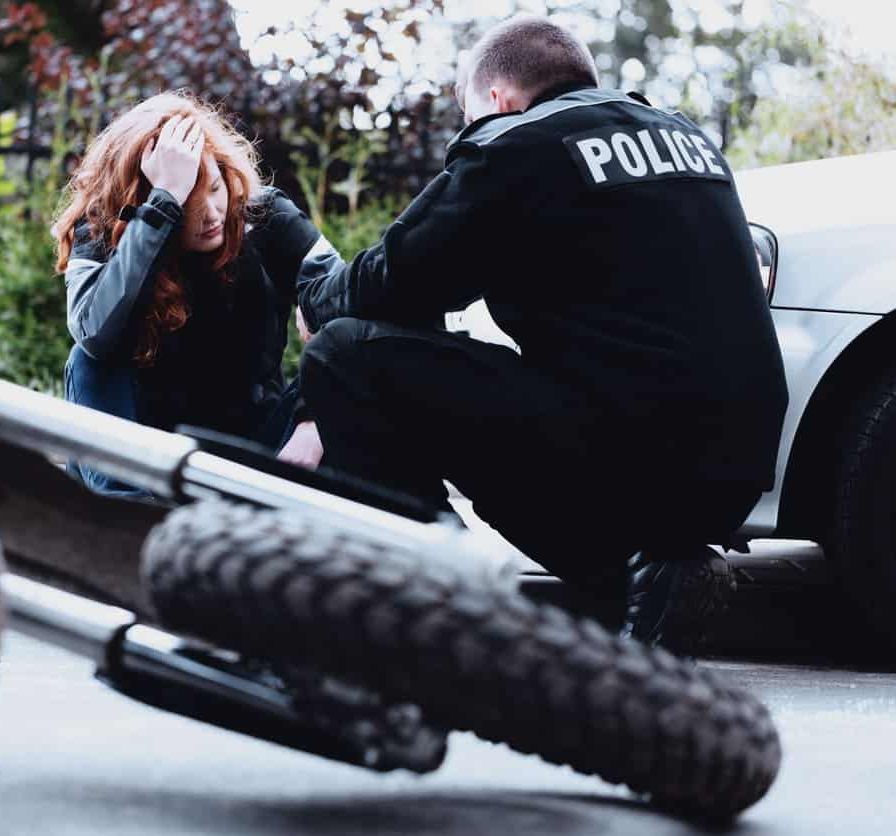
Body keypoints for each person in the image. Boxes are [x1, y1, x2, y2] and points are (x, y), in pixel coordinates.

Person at [293, 15, 789, 654]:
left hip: (625, 456)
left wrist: (319, 299)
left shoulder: (517, 144)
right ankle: (650, 577)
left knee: (343, 354)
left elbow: (394, 280)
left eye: (468, 115)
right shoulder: (687, 138)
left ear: (498, 99)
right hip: (734, 471)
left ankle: (448, 594)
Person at [53, 92, 325, 495]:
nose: (212, 214)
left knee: (346, 350)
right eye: (189, 203)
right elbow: (93, 334)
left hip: (254, 444)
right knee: (87, 360)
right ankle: (128, 518)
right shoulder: (102, 227)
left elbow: (350, 308)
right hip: (144, 458)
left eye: (214, 188)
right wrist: (162, 206)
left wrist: (311, 420)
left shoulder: (266, 215)